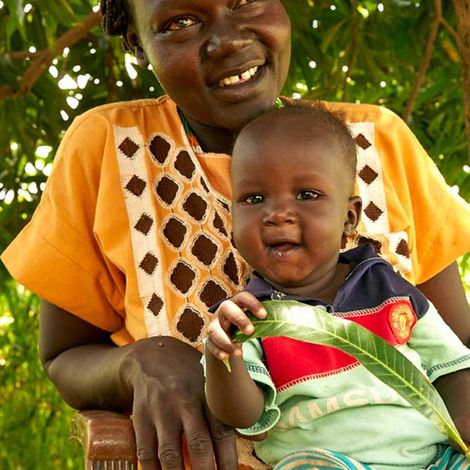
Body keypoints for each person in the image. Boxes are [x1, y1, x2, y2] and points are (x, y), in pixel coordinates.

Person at [0, 0, 469, 468]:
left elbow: (457, 352)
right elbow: (63, 356)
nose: (230, 39)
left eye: (247, 0)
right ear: (137, 44)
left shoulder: (376, 140)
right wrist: (139, 362)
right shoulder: (106, 147)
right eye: (180, 22)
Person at [204, 103, 470, 469]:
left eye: (307, 195)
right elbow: (247, 419)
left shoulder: (388, 289)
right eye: (254, 199)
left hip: (433, 460)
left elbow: (452, 367)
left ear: (349, 218)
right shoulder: (252, 316)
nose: (277, 213)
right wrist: (222, 356)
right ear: (233, 226)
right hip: (322, 462)